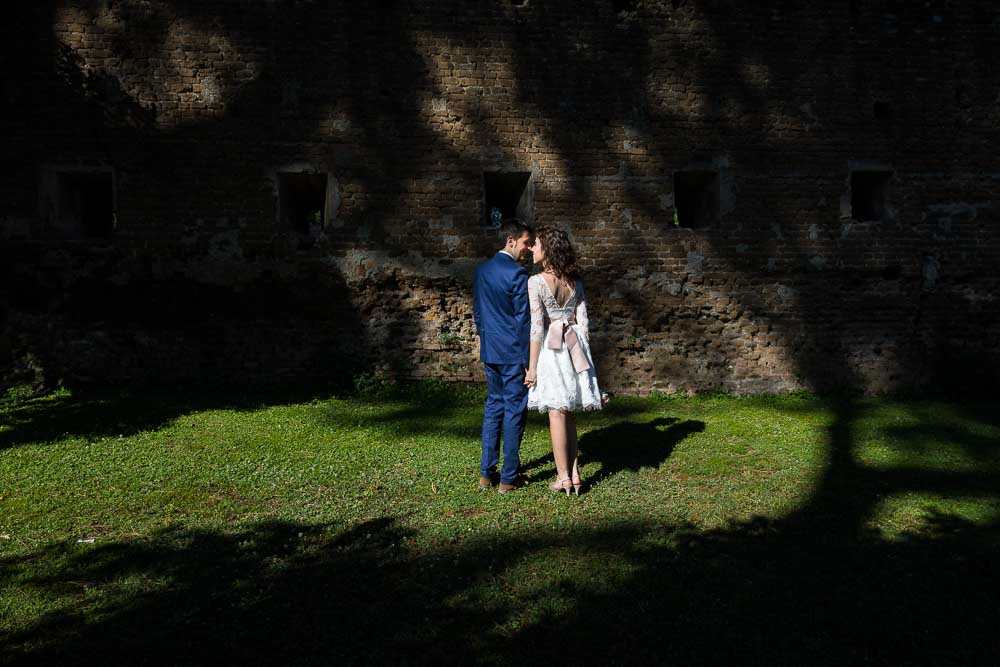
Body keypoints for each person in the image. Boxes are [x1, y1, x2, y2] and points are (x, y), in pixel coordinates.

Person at [524, 227, 603, 495]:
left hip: (552, 349)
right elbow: (585, 325)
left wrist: (532, 368)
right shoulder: (576, 282)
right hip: (575, 346)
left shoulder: (535, 282)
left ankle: (563, 477)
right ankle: (575, 474)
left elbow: (536, 328)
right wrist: (587, 365)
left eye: (535, 244)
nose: (532, 249)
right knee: (568, 414)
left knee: (557, 412)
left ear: (547, 249)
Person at [473, 219, 534, 494]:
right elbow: (524, 321)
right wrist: (528, 361)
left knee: (493, 407)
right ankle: (508, 478)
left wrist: (486, 341)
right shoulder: (518, 274)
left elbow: (478, 312)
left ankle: (486, 474)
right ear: (511, 241)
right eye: (525, 243)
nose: (529, 249)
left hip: (490, 350)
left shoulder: (482, 271)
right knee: (514, 411)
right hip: (512, 353)